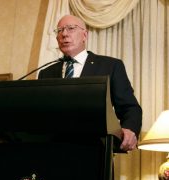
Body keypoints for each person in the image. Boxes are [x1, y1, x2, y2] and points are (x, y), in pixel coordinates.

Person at [38, 15, 142, 151]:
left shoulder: (110, 66)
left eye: (71, 28)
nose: (64, 34)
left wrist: (129, 129)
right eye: (60, 30)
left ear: (84, 35)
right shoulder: (46, 73)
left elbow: (130, 107)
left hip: (96, 152)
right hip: (52, 151)